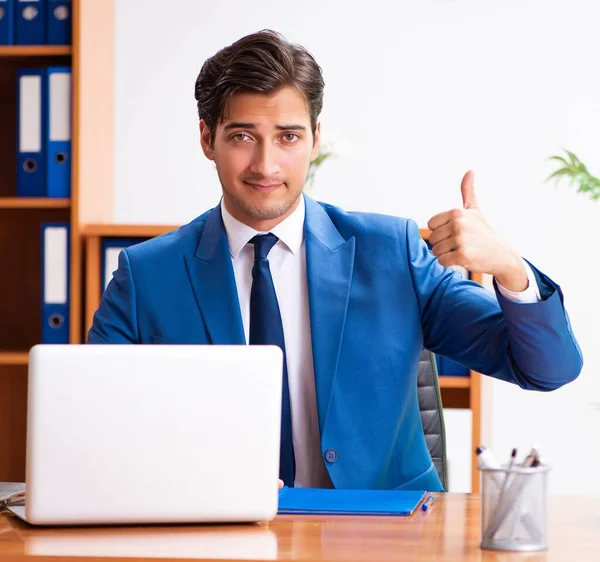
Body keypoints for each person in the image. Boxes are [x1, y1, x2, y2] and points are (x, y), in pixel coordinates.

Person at [88, 30, 583, 493]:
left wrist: (510, 269)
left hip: (380, 537)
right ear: (206, 139)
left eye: (288, 136)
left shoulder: (392, 252)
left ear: (315, 138)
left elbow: (548, 369)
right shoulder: (146, 275)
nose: (265, 165)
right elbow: (94, 432)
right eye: (242, 136)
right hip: (213, 531)